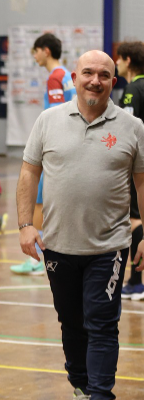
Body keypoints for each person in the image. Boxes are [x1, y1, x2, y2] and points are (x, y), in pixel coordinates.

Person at [17, 49, 144, 400]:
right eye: (88, 73)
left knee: (102, 323)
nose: (95, 81)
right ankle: (81, 385)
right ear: (74, 79)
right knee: (71, 322)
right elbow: (28, 171)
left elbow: (142, 182)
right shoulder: (48, 120)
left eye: (104, 75)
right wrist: (25, 224)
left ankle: (100, 394)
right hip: (58, 245)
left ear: (113, 82)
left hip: (109, 247)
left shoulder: (133, 127)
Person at [11, 32, 76, 275]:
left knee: (38, 201)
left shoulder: (55, 77)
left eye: (36, 52)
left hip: (55, 150)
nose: (35, 57)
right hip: (70, 147)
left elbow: (56, 116)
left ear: (45, 51)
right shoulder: (68, 75)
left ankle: (36, 259)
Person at [116, 41, 144, 300]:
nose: (116, 63)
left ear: (127, 60)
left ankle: (136, 282)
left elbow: (128, 130)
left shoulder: (132, 90)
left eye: (118, 59)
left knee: (135, 220)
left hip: (139, 166)